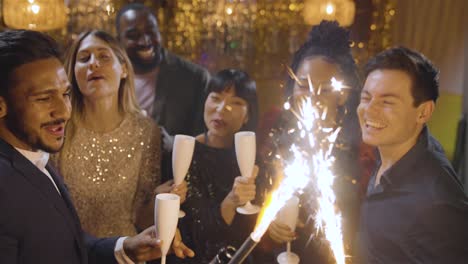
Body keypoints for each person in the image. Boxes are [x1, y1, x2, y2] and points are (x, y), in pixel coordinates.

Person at [0, 29, 194, 263]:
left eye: (65, 94)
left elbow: (70, 242)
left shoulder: (36, 157)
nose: (63, 111)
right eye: (44, 98)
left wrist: (126, 248)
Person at [52, 30, 186, 237]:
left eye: (103, 56)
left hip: (126, 252)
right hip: (68, 250)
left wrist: (160, 201)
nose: (93, 64)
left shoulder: (146, 131)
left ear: (123, 69)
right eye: (84, 58)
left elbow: (142, 218)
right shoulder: (60, 128)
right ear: (73, 73)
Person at [256, 21, 366, 263]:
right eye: (303, 86)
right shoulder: (273, 125)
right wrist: (268, 220)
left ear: (343, 93)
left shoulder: (361, 143)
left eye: (325, 89)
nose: (311, 98)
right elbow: (256, 193)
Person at [355, 47, 468, 263]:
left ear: (423, 112)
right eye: (366, 97)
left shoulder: (436, 202)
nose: (369, 110)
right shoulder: (388, 149)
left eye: (387, 102)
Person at [176, 69, 259, 263]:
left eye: (236, 102)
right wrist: (231, 201)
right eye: (215, 98)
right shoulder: (185, 153)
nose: (222, 108)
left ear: (248, 115)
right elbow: (199, 234)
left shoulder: (256, 160)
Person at [115, 3, 210, 150]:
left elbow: (208, 140)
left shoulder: (195, 78)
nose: (145, 41)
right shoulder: (109, 75)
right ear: (118, 40)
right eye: (133, 35)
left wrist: (173, 145)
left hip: (171, 171)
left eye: (151, 32)